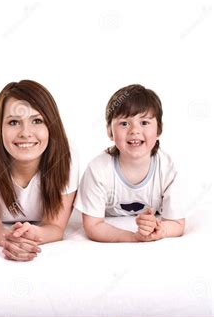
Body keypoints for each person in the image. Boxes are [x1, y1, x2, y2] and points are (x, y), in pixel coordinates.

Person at [0, 80, 78, 261]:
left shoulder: (66, 153)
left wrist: (33, 234)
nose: (25, 132)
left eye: (37, 121)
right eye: (14, 122)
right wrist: (10, 240)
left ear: (51, 125)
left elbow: (55, 227)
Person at [74, 84, 185, 242]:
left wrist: (160, 230)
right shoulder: (98, 169)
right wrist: (134, 237)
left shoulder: (167, 168)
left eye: (144, 123)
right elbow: (93, 225)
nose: (134, 130)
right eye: (124, 123)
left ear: (159, 130)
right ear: (110, 131)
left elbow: (177, 222)